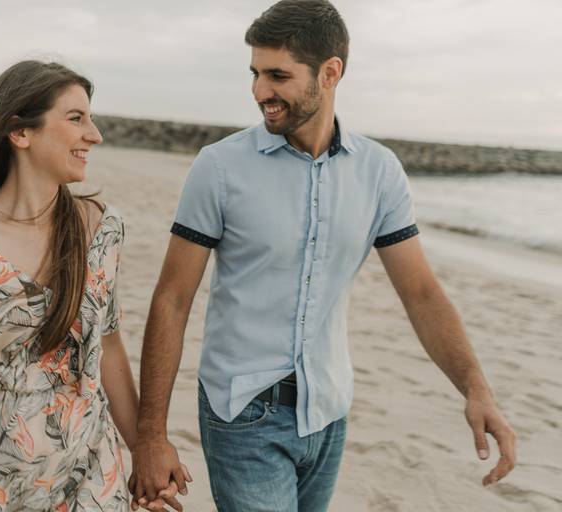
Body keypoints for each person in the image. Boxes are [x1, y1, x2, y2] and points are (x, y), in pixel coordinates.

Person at [129, 1, 517, 511]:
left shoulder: (379, 172)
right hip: (242, 412)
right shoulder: (219, 168)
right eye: (255, 74)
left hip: (329, 413)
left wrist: (476, 388)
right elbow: (171, 300)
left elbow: (421, 293)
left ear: (330, 72)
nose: (259, 91)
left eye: (277, 75)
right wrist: (151, 435)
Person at [0, 60, 184, 512]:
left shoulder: (100, 230)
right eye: (76, 118)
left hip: (90, 477)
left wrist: (144, 449)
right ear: (20, 132)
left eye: (91, 118)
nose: (95, 135)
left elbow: (108, 349)